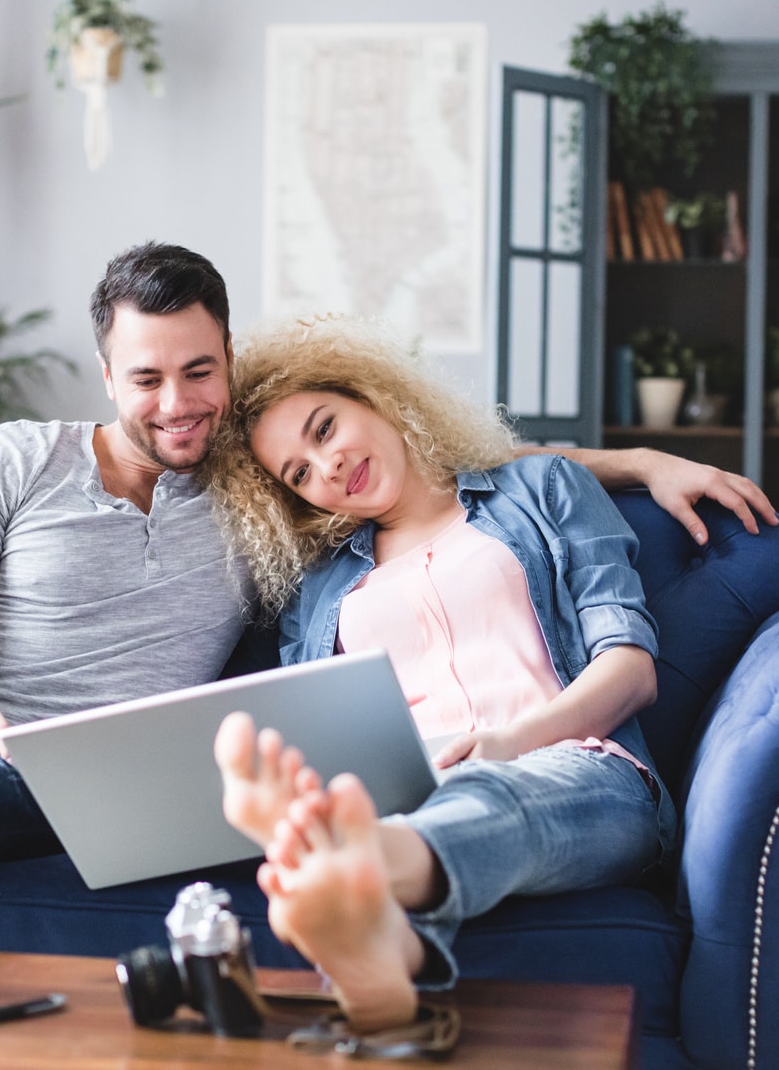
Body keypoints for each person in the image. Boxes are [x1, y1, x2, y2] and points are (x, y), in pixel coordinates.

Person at [0, 242, 772, 980]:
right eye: (147, 378)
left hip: (68, 766)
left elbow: (453, 471)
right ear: (105, 373)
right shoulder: (25, 459)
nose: (177, 401)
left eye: (200, 372)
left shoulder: (252, 505)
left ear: (228, 364)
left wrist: (644, 464)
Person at [206, 314, 685, 1032]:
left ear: (374, 394)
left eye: (325, 428)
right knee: (408, 802)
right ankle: (383, 948)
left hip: (580, 766)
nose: (327, 467)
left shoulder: (541, 487)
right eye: (299, 474)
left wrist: (511, 740)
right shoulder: (322, 586)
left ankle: (356, 863)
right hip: (414, 788)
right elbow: (324, 722)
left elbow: (631, 667)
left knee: (494, 797)